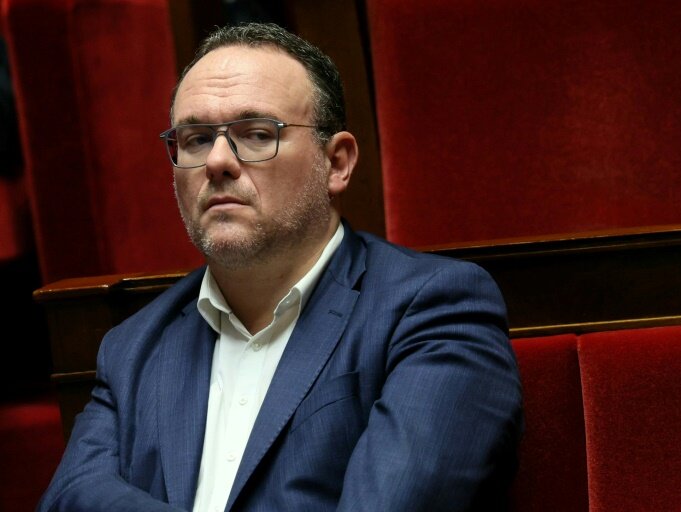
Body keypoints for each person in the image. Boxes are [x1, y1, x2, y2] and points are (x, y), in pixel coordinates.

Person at [37, 22, 523, 512]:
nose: (218, 162)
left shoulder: (434, 308)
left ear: (336, 163)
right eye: (197, 139)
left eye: (255, 134)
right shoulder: (134, 347)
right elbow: (69, 499)